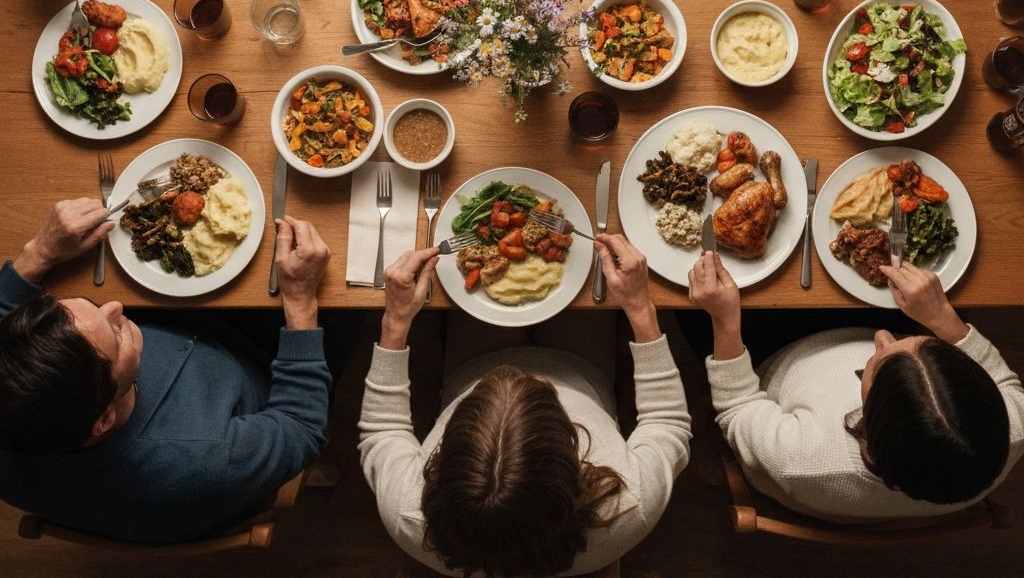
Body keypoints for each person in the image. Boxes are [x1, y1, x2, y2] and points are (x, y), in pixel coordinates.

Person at [0, 198, 334, 543]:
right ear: (104, 419)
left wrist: (39, 253)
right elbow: (301, 426)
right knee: (346, 310)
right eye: (114, 335)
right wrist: (301, 301)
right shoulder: (203, 459)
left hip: (193, 334)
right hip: (259, 363)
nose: (115, 307)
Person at [359, 232, 691, 576]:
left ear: (444, 455)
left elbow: (382, 432)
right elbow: (667, 423)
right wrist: (640, 309)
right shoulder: (628, 504)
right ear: (571, 456)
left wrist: (395, 321)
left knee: (471, 289)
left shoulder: (407, 510)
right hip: (581, 369)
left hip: (473, 362)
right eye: (546, 392)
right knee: (585, 270)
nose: (521, 372)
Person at [687, 250, 1024, 521]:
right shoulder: (1014, 429)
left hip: (775, 352)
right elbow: (1006, 381)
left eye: (873, 366)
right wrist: (943, 319)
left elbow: (737, 408)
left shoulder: (801, 460)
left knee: (690, 306)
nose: (883, 337)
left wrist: (724, 321)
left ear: (869, 423)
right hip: (844, 338)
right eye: (926, 343)